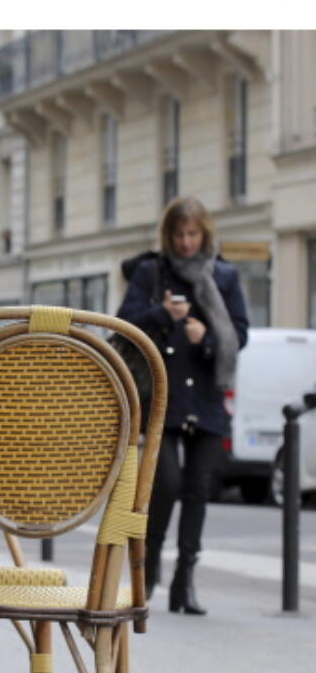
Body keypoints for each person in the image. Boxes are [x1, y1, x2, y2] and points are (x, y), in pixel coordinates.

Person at [116, 196, 249, 614]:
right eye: (179, 234)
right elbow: (124, 324)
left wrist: (205, 339)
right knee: (167, 483)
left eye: (193, 233)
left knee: (197, 489)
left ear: (204, 234)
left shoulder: (223, 276)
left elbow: (240, 333)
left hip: (207, 397)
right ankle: (149, 570)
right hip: (164, 395)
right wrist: (162, 314)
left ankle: (184, 582)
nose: (187, 242)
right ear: (169, 235)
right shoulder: (151, 272)